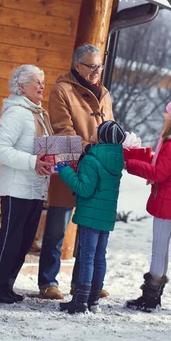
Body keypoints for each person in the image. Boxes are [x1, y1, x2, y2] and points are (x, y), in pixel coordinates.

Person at [38, 44, 115, 300]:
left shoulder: (104, 94)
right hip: (70, 165)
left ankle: (82, 282)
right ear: (77, 66)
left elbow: (108, 127)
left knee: (88, 228)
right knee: (57, 227)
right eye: (91, 66)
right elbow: (62, 128)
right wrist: (89, 150)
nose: (96, 72)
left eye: (99, 66)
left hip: (95, 169)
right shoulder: (62, 90)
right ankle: (48, 282)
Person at [124, 96, 171, 312]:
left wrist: (131, 164)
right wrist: (143, 157)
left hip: (168, 200)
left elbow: (159, 173)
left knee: (158, 249)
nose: (164, 115)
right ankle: (154, 297)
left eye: (168, 113)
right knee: (162, 247)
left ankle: (150, 298)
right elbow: (163, 166)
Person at [0, 65, 54, 304]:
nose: (42, 86)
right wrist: (32, 161)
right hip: (17, 188)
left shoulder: (38, 114)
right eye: (37, 82)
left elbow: (43, 149)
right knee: (11, 240)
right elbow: (0, 149)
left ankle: (7, 286)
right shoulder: (16, 113)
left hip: (36, 188)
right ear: (21, 86)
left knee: (24, 242)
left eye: (43, 82)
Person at [54, 121, 126, 313]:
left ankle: (80, 301)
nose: (93, 132)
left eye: (97, 131)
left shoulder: (92, 159)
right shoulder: (117, 160)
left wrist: (64, 169)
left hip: (89, 216)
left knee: (86, 257)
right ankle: (93, 300)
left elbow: (84, 189)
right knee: (99, 257)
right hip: (106, 217)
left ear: (102, 137)